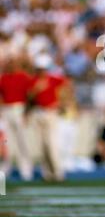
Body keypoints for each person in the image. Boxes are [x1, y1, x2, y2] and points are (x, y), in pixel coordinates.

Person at [28, 53, 68, 182]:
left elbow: (67, 88)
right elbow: (29, 98)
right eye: (39, 69)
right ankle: (47, 173)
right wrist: (35, 90)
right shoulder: (33, 81)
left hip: (51, 113)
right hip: (38, 113)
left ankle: (58, 172)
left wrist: (61, 102)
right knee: (41, 146)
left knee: (52, 144)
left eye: (43, 69)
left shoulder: (54, 79)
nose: (41, 71)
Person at [0, 56, 33, 180]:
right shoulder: (4, 78)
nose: (11, 66)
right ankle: (6, 167)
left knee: (22, 140)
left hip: (19, 108)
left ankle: (25, 170)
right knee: (7, 141)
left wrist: (27, 112)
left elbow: (30, 95)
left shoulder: (23, 77)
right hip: (6, 109)